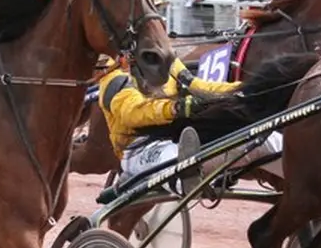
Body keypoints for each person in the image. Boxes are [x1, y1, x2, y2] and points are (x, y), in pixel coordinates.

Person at [97, 56, 240, 195]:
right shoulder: (113, 77)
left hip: (174, 135)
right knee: (169, 154)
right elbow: (132, 113)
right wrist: (175, 108)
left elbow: (199, 87)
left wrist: (241, 89)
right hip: (137, 148)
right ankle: (183, 180)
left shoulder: (167, 60)